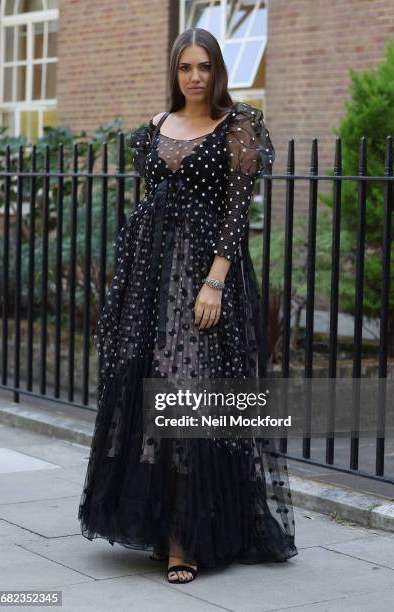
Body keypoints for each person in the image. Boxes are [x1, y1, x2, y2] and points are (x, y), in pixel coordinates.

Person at [78, 27, 298, 584]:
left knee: (188, 392)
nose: (195, 77)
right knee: (143, 384)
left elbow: (235, 210)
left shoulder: (238, 126)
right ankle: (156, 523)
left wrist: (215, 282)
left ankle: (186, 537)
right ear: (174, 72)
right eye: (185, 68)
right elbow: (149, 202)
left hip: (203, 276)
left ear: (217, 70)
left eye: (204, 67)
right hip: (148, 277)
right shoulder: (152, 129)